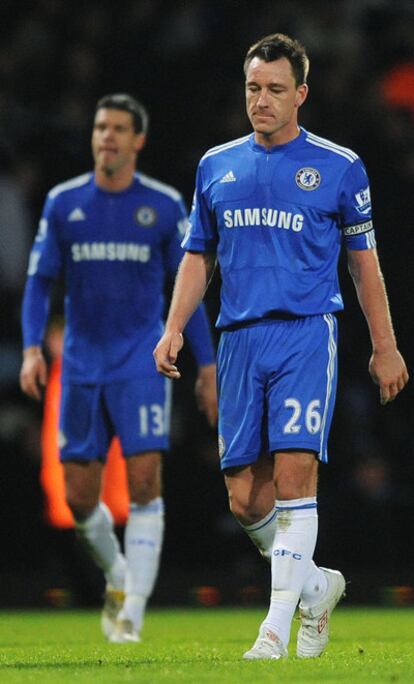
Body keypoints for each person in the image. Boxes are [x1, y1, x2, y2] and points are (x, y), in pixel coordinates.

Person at [154, 33, 409, 660]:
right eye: (252, 89)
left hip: (304, 333)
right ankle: (317, 586)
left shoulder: (339, 166)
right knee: (245, 498)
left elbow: (364, 265)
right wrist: (174, 325)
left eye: (273, 90)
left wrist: (386, 346)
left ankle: (273, 632)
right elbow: (197, 255)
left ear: (301, 94)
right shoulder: (217, 165)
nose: (261, 101)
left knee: (297, 478)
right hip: (237, 337)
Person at [20, 93, 217, 644]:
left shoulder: (162, 205)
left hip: (140, 362)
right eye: (101, 127)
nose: (106, 136)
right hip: (81, 365)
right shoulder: (64, 203)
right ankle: (118, 576)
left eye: (118, 128)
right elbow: (38, 282)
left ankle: (132, 613)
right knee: (80, 497)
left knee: (144, 483)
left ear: (138, 140)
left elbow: (189, 287)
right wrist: (33, 348)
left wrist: (206, 366)